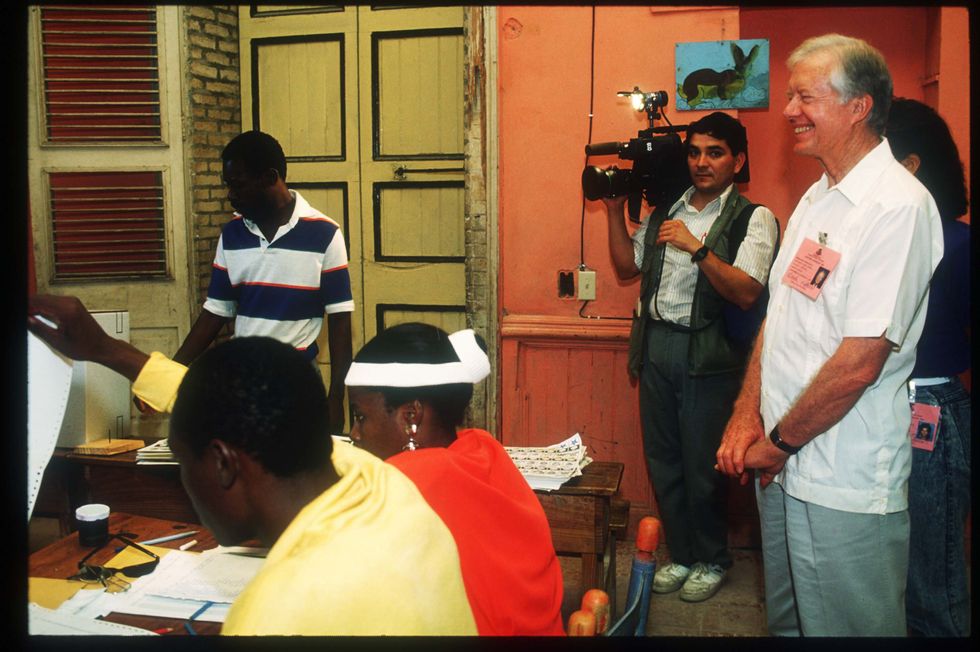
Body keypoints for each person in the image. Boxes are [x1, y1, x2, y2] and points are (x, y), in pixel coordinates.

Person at [27, 295, 477, 635]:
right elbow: (236, 400)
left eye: (183, 461)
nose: (185, 478)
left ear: (223, 463)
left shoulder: (271, 617)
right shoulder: (380, 481)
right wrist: (105, 349)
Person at [715, 35, 943, 636]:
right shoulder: (818, 198)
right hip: (784, 464)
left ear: (859, 106)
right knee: (789, 627)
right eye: (792, 94)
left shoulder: (898, 207)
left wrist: (777, 443)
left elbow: (861, 361)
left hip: (844, 478)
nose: (788, 109)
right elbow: (781, 317)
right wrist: (747, 418)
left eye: (804, 96)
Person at [598, 112, 779, 602]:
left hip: (710, 355)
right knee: (665, 461)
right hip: (655, 346)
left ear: (737, 161)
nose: (702, 162)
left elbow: (746, 291)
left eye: (715, 152)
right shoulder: (665, 212)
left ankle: (712, 558)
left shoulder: (752, 218)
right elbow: (625, 267)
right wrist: (615, 210)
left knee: (704, 466)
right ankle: (681, 554)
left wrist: (697, 248)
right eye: (695, 151)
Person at [344, 322, 566, 635]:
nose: (355, 434)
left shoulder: (403, 487)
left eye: (360, 417)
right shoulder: (484, 447)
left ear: (411, 415)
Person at [173, 130, 353, 433]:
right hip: (242, 383)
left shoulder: (325, 233)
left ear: (270, 178)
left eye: (238, 185)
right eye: (228, 185)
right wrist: (169, 373)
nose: (231, 194)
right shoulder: (232, 235)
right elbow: (215, 312)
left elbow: (340, 322)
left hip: (297, 382)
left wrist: (336, 398)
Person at [886, 97, 971, 637]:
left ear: (911, 165)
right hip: (879, 401)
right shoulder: (881, 235)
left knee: (931, 572)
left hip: (929, 406)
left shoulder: (959, 242)